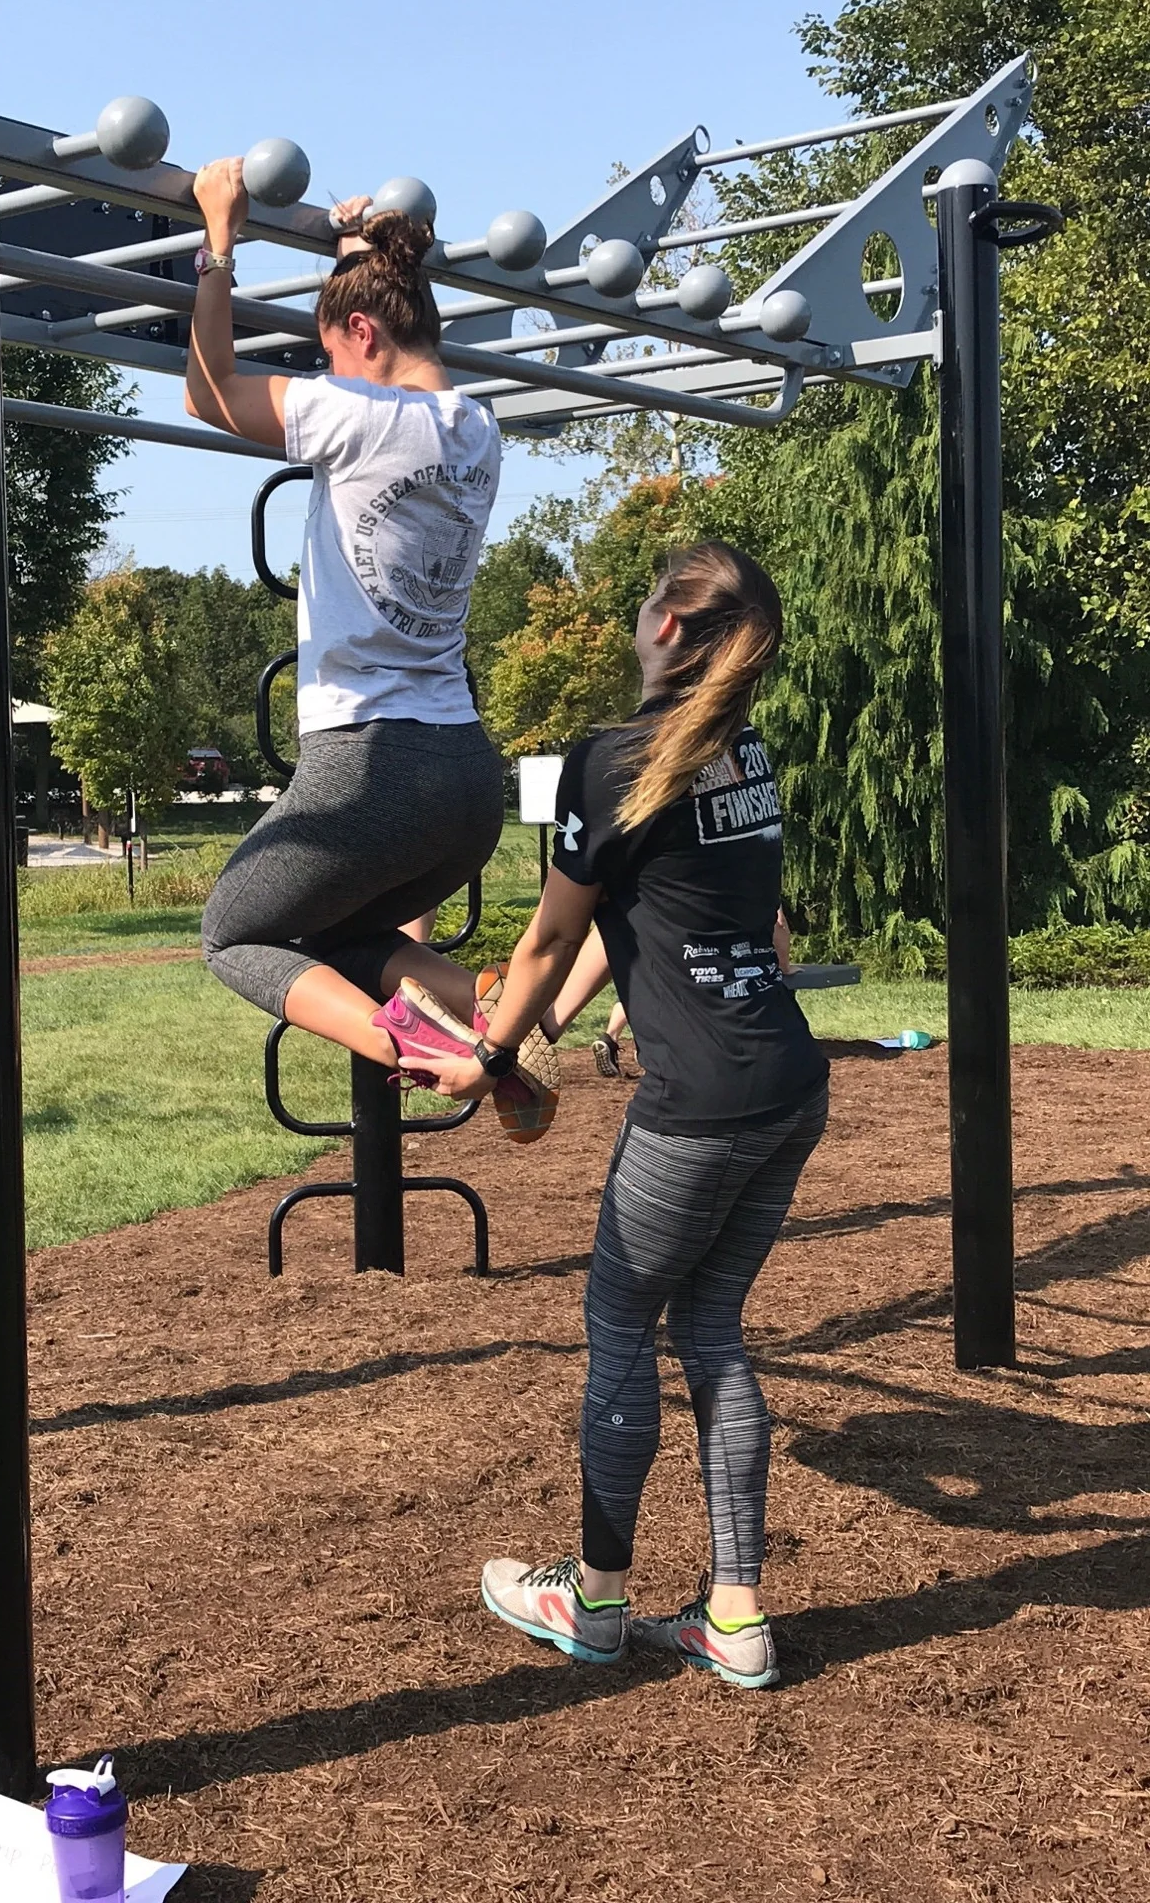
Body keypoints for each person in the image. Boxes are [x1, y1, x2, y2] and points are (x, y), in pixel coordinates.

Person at [405, 542, 829, 1686]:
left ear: (669, 628)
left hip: (694, 1103)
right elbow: (638, 920)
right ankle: (734, 1619)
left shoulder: (611, 757)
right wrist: (541, 1027)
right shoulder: (743, 753)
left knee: (618, 1331)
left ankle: (592, 1601)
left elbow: (547, 938)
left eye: (643, 603)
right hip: (789, 1084)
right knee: (713, 1333)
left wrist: (482, 1055)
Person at [185, 159, 555, 1140]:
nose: (329, 380)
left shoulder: (355, 414)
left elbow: (209, 390)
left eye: (336, 353)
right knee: (347, 935)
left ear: (362, 336)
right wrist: (356, 254)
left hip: (370, 766)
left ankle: (427, 1047)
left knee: (231, 933)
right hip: (464, 779)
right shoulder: (478, 429)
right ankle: (478, 1003)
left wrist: (219, 239)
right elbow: (376, 342)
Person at [548, 910, 793, 1077]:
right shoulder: (752, 871)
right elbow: (778, 926)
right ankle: (644, 1052)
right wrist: (785, 965)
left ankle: (610, 1036)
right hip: (717, 997)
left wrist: (548, 1027)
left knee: (638, 996)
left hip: (650, 954)